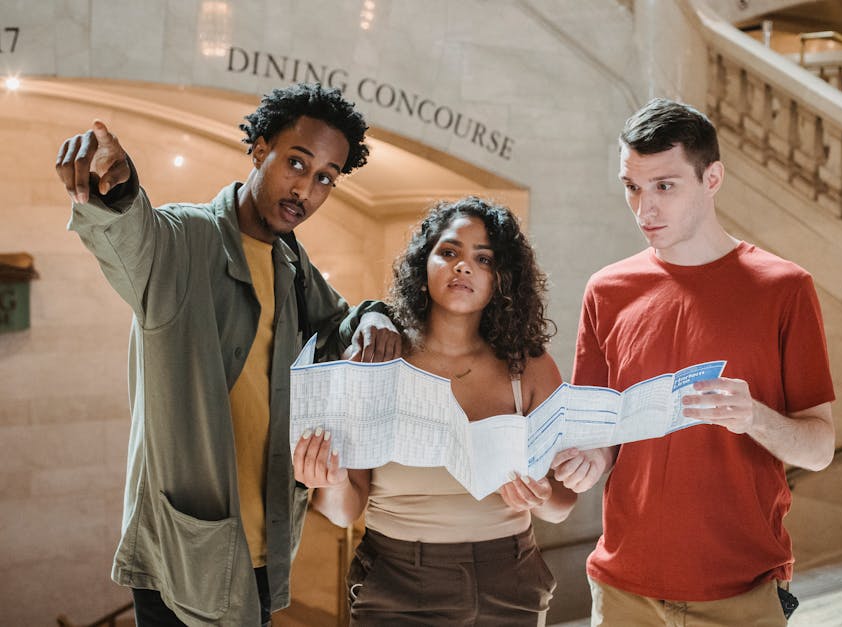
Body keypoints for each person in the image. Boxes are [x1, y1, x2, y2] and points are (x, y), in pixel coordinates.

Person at [54, 83, 401, 626]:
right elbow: (131, 235)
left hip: (266, 552)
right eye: (296, 162)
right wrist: (116, 190)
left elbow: (340, 321)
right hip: (183, 557)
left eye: (325, 178)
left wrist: (376, 315)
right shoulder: (184, 238)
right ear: (259, 149)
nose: (305, 189)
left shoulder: (291, 262)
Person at [550, 98, 836, 626]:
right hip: (621, 592)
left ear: (712, 179)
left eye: (665, 186)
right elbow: (599, 434)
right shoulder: (606, 291)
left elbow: (819, 448)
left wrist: (754, 416)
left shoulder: (784, 288)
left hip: (741, 593)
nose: (644, 209)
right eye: (632, 187)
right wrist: (591, 459)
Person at [293, 196, 578, 626]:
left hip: (509, 579)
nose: (463, 267)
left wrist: (540, 496)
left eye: (483, 259)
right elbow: (343, 511)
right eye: (449, 252)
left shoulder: (531, 367)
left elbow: (561, 506)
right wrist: (328, 481)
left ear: (501, 280)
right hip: (396, 580)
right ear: (423, 265)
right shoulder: (377, 361)